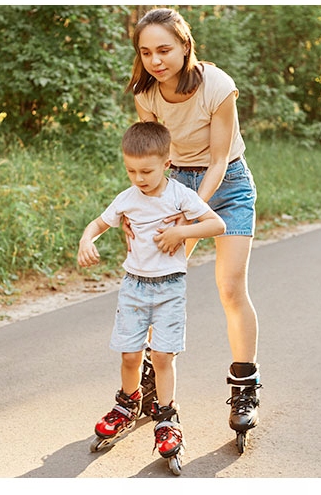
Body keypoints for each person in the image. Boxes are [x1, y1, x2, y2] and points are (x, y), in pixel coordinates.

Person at [127, 8, 268, 440]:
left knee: (230, 287)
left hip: (228, 186)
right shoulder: (146, 93)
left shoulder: (217, 86)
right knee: (158, 283)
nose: (156, 60)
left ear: (185, 46)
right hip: (176, 185)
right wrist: (141, 209)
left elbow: (220, 159)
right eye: (146, 52)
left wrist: (190, 211)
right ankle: (152, 377)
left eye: (164, 49)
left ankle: (244, 388)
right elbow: (150, 158)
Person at [79, 122, 226, 461]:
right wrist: (87, 240)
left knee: (162, 356)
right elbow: (98, 224)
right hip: (133, 286)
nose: (138, 178)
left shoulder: (180, 195)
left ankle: (166, 416)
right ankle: (127, 404)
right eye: (131, 170)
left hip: (170, 287)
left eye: (146, 171)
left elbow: (216, 224)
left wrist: (181, 233)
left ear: (166, 163)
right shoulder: (127, 198)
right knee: (130, 355)